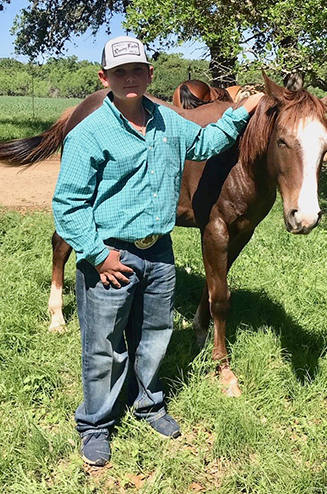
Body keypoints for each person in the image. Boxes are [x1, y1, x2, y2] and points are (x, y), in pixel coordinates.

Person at [52, 35, 263, 467]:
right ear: (104, 77)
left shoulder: (168, 122)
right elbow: (67, 206)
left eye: (137, 70)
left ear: (150, 75)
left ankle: (148, 405)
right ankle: (96, 423)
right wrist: (97, 254)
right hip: (111, 254)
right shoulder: (90, 133)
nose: (129, 78)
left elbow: (204, 144)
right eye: (119, 72)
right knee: (103, 346)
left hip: (159, 252)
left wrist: (239, 113)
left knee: (154, 338)